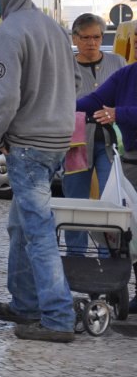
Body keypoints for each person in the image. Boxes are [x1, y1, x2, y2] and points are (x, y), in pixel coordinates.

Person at [0, 0, 78, 342]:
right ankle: (25, 303)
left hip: (29, 145)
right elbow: (75, 85)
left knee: (37, 231)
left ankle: (57, 317)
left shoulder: (9, 32)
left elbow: (6, 99)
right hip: (56, 141)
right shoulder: (53, 28)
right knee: (20, 224)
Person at [76, 62, 137, 315]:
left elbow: (115, 111)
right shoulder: (128, 74)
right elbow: (95, 100)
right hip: (132, 159)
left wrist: (118, 114)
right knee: (132, 227)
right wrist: (58, 109)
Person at [62, 13, 125, 256]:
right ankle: (75, 258)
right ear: (75, 38)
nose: (92, 43)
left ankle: (108, 259)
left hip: (111, 143)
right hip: (75, 143)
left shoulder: (117, 63)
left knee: (111, 201)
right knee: (75, 201)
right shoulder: (65, 65)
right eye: (86, 37)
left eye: (97, 37)